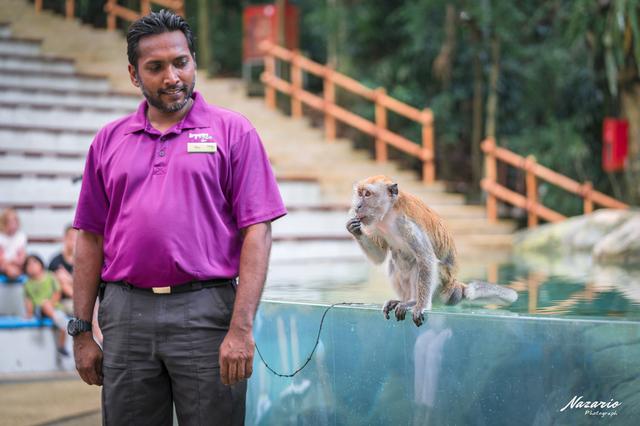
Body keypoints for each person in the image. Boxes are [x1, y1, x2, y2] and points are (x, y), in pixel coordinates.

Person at [70, 9, 286, 425]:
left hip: (206, 312)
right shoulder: (108, 141)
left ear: (193, 62)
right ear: (134, 75)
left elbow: (257, 232)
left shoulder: (233, 132)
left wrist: (240, 328)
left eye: (181, 62)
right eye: (156, 67)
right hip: (125, 313)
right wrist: (82, 330)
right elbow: (90, 237)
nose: (172, 76)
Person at [23, 254, 69, 356]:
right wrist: (29, 313)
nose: (32, 266)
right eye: (28, 264)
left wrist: (50, 304)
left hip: (54, 307)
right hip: (39, 311)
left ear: (41, 264)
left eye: (35, 262)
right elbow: (28, 300)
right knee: (44, 304)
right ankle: (61, 321)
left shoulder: (50, 276)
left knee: (54, 312)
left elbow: (57, 292)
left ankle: (61, 347)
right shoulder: (28, 284)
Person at [49, 225, 76, 315]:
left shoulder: (83, 261)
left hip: (78, 299)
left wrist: (69, 278)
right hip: (61, 301)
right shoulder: (56, 261)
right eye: (71, 237)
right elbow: (59, 285)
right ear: (64, 238)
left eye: (76, 238)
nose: (74, 240)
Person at [0, 208, 27, 282]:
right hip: (3, 266)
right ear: (4, 223)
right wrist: (8, 266)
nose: (13, 225)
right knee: (9, 269)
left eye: (15, 222)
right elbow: (1, 259)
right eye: (10, 222)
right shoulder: (1, 237)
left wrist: (11, 263)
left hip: (17, 266)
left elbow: (21, 259)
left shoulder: (21, 237)